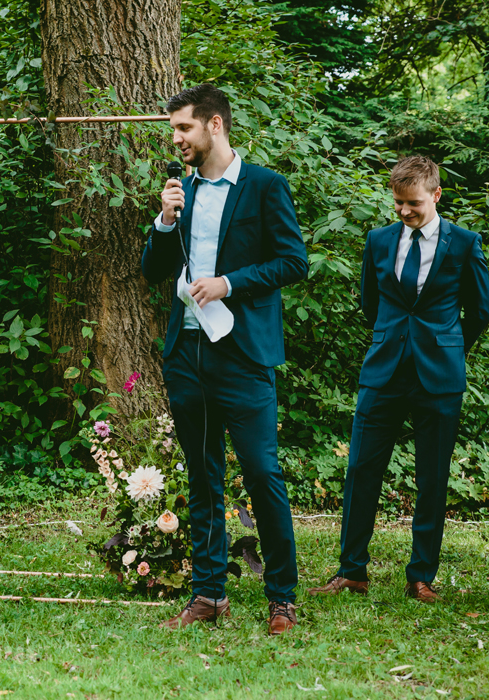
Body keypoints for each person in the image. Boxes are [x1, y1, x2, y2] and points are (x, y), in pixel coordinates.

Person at [140, 84, 308, 635]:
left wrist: (229, 283)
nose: (176, 138)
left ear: (214, 125)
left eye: (184, 127)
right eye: (173, 129)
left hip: (242, 354)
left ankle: (281, 598)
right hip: (187, 354)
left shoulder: (264, 186)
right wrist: (165, 221)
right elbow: (152, 271)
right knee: (203, 476)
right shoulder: (181, 191)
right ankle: (209, 593)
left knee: (261, 472)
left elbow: (293, 262)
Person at [308, 156, 489, 602]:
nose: (404, 211)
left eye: (413, 203)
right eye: (398, 203)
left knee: (432, 477)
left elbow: (480, 310)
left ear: (436, 195)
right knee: (360, 470)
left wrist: (449, 348)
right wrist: (392, 338)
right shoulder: (378, 240)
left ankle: (420, 577)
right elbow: (370, 304)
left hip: (439, 376)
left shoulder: (465, 244)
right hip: (384, 371)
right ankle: (352, 571)